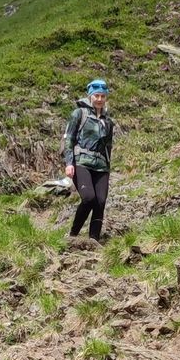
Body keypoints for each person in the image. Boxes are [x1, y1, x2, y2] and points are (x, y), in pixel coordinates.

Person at [63, 77, 115, 241]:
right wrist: (69, 163)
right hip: (81, 162)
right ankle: (73, 235)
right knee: (88, 198)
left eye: (102, 96)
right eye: (96, 96)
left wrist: (108, 166)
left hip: (101, 166)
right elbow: (69, 139)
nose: (99, 99)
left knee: (100, 202)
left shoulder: (108, 122)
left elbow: (108, 146)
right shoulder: (79, 113)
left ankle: (94, 240)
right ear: (90, 96)